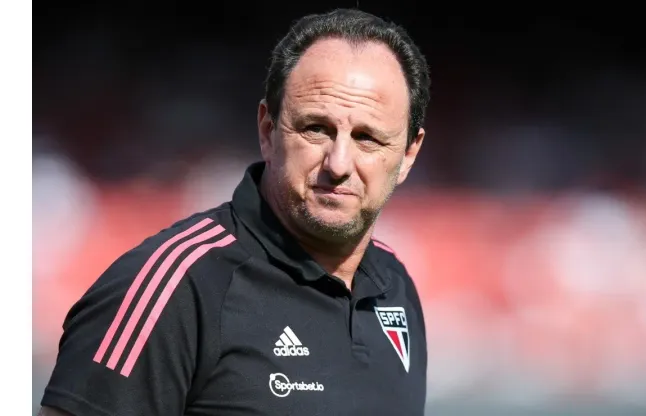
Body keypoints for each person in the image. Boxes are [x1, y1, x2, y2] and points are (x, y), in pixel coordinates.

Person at [39, 7, 431, 416]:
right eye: (316, 128)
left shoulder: (395, 285)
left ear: (408, 154)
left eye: (368, 138)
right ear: (267, 131)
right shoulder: (175, 288)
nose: (339, 162)